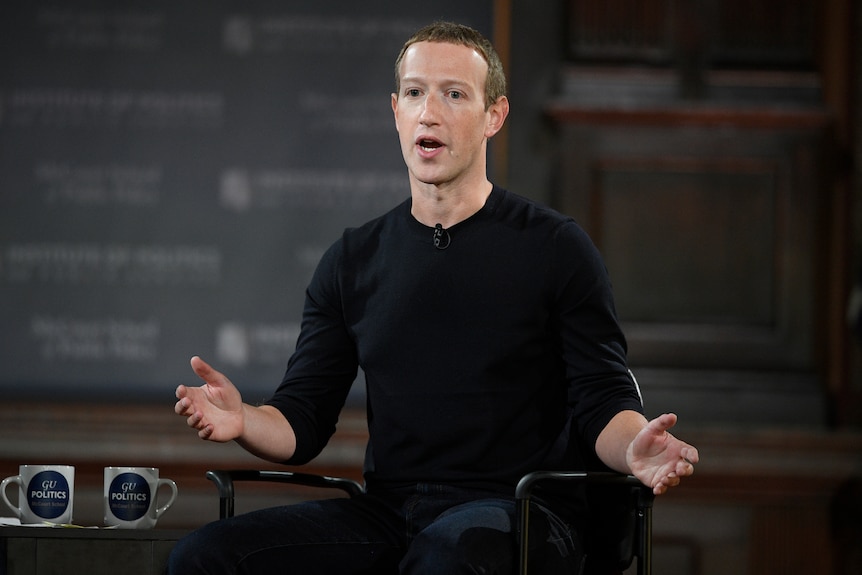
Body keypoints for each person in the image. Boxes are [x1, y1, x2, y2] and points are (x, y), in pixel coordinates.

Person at [169, 21, 699, 575]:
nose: (430, 112)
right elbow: (303, 419)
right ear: (396, 111)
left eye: (454, 94)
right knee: (207, 558)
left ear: (494, 116)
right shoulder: (352, 260)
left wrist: (636, 443)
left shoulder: (555, 248)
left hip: (521, 514)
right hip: (390, 512)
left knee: (447, 555)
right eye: (416, 93)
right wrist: (243, 420)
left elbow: (602, 401)